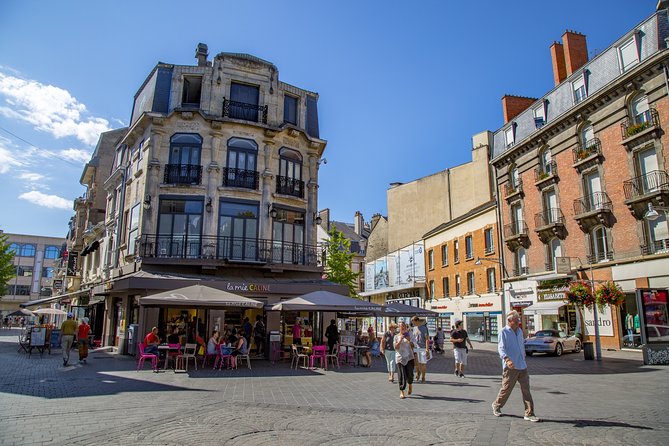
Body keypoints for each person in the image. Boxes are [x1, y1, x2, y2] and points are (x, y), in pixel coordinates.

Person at [492, 310, 539, 422]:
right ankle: (497, 405)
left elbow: (521, 345)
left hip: (522, 365)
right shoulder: (503, 332)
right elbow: (501, 348)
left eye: (518, 320)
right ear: (509, 321)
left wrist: (523, 357)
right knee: (506, 388)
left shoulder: (519, 331)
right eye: (516, 320)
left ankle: (529, 413)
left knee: (526, 389)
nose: (518, 322)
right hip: (511, 366)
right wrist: (507, 359)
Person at [394, 321, 415, 399]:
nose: (402, 328)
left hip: (409, 357)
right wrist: (400, 340)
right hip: (400, 358)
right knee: (401, 375)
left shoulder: (410, 335)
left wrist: (409, 340)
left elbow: (414, 345)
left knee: (410, 375)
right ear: (399, 328)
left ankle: (410, 384)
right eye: (401, 326)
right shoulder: (396, 337)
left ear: (406, 327)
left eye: (404, 326)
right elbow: (395, 347)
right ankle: (402, 391)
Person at [410, 316, 429, 383]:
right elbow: (413, 338)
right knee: (417, 363)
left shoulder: (424, 328)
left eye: (413, 322)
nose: (413, 324)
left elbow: (427, 339)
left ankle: (423, 377)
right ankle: (418, 372)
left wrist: (427, 349)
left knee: (423, 363)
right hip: (416, 348)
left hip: (423, 348)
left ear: (417, 321)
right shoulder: (414, 328)